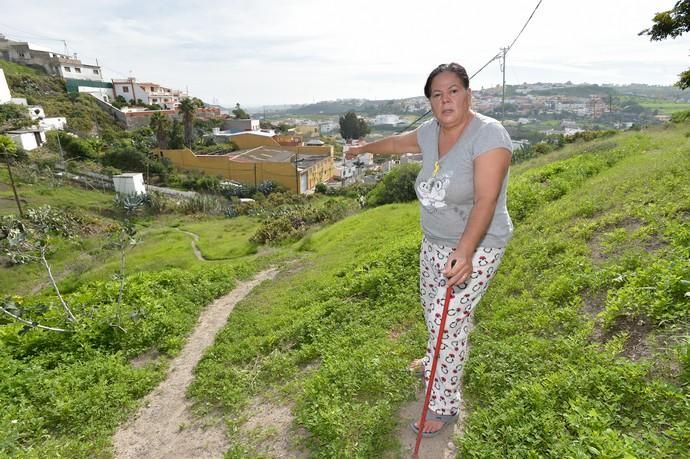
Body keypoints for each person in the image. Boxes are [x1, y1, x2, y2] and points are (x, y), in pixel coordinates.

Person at [346, 62, 513, 437]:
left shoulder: (489, 136)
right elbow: (394, 143)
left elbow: (486, 201)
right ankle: (434, 361)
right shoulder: (430, 132)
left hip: (479, 244)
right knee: (433, 310)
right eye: (436, 94)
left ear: (469, 95)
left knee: (447, 322)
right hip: (434, 242)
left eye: (453, 90)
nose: (445, 99)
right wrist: (363, 147)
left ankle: (444, 404)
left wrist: (467, 251)